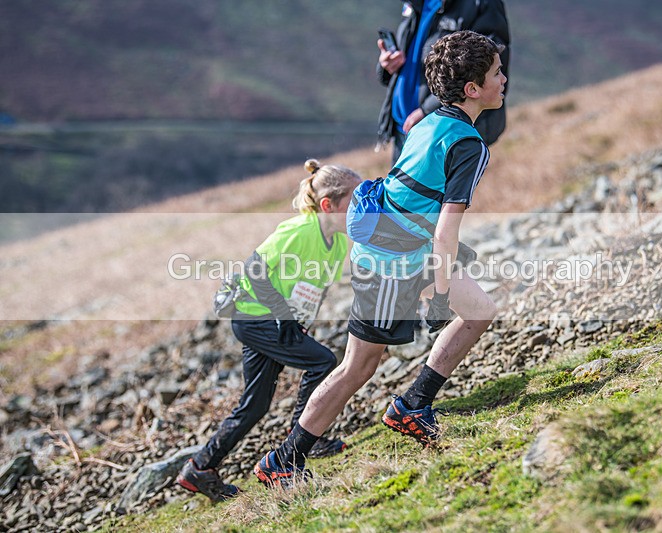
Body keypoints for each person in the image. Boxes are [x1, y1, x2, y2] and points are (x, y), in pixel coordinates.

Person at [254, 30, 504, 488]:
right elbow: (447, 230)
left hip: (390, 246)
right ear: (473, 89)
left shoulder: (427, 121)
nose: (504, 79)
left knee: (480, 311)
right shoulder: (469, 145)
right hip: (397, 258)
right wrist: (440, 297)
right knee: (358, 366)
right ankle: (285, 460)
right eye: (496, 73)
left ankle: (413, 405)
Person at [176, 159, 362, 502]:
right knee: (322, 362)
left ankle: (201, 468)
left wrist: (300, 319)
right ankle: (304, 440)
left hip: (277, 319)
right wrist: (284, 317)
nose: (361, 208)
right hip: (253, 317)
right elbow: (253, 272)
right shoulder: (299, 231)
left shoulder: (337, 243)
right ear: (328, 205)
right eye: (355, 201)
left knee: (255, 404)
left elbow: (314, 288)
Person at [376, 0, 510, 163]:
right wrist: (388, 65)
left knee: (449, 188)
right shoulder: (416, 3)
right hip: (405, 130)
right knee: (403, 189)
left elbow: (487, 70)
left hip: (442, 131)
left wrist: (427, 111)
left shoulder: (481, 4)